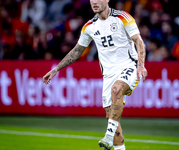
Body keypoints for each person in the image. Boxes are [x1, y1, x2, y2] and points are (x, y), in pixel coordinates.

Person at [43, 0, 147, 150]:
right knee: (111, 118)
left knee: (116, 90)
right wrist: (56, 69)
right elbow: (77, 50)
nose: (95, 2)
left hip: (129, 65)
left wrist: (141, 65)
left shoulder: (123, 17)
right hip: (108, 75)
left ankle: (108, 136)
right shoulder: (89, 27)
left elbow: (139, 41)